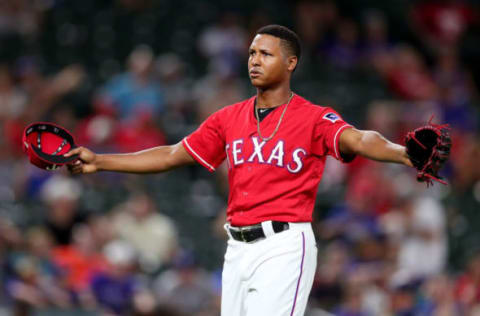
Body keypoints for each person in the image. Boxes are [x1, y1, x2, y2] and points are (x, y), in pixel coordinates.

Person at [66, 25, 413, 316]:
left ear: (291, 63)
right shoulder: (228, 118)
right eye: (251, 53)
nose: (255, 61)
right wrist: (101, 161)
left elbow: (360, 139)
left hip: (283, 244)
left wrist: (402, 153)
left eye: (266, 54)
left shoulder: (313, 117)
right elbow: (173, 154)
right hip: (237, 247)